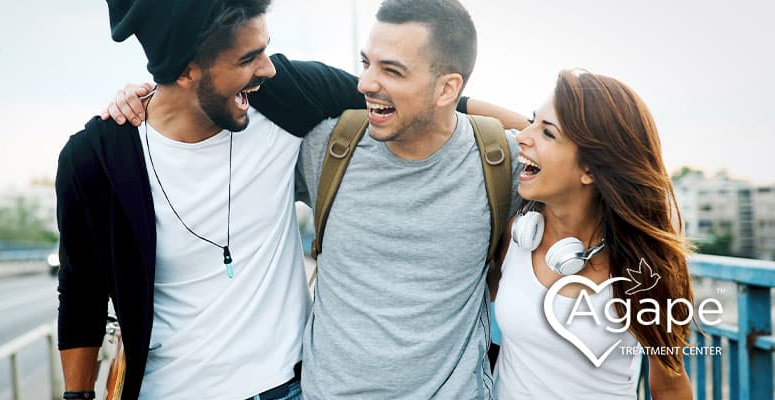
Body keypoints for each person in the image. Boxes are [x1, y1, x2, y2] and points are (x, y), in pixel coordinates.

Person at [107, 1, 527, 398]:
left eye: (392, 70)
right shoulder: (327, 148)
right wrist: (155, 98)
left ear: (446, 88)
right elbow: (201, 144)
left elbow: (581, 163)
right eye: (366, 63)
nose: (365, 83)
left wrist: (535, 130)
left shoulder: (503, 162)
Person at [54, 1, 341, 398]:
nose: (267, 69)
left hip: (291, 386)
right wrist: (78, 396)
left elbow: (395, 96)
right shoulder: (96, 158)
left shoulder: (283, 97)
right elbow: (81, 291)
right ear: (186, 71)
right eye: (248, 59)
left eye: (265, 49)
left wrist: (459, 107)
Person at [490, 70, 694, 399]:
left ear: (589, 169)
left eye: (547, 132)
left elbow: (670, 386)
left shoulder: (644, 268)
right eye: (531, 121)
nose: (521, 137)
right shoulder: (516, 235)